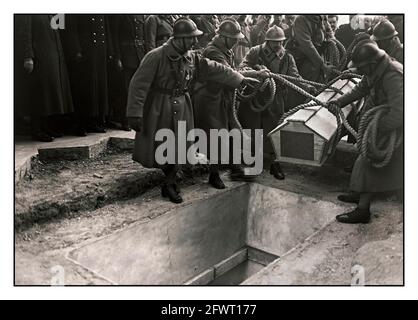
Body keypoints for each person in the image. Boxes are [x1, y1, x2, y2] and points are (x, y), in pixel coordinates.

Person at [126, 17, 259, 203]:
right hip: (160, 107)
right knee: (162, 146)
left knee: (181, 146)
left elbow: (214, 68)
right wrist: (134, 113)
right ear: (179, 38)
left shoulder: (192, 57)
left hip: (182, 106)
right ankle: (169, 182)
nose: (195, 41)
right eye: (191, 38)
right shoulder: (155, 56)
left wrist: (240, 78)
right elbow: (138, 85)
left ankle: (170, 182)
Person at [329, 41, 403, 224]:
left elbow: (401, 111)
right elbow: (361, 88)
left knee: (369, 159)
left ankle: (363, 210)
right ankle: (360, 193)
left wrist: (377, 128)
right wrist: (340, 102)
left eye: (361, 68)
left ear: (370, 64)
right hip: (383, 120)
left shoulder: (393, 75)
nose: (360, 71)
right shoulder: (376, 69)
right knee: (365, 157)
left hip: (395, 125)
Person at [193, 18, 259, 190]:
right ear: (223, 37)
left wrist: (254, 73)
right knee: (216, 136)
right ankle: (214, 175)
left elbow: (234, 71)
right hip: (210, 100)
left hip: (221, 98)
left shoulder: (224, 49)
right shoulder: (213, 51)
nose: (237, 41)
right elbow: (228, 72)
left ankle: (235, 168)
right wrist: (252, 75)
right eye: (234, 38)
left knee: (233, 132)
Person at [239, 25, 307, 180]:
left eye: (280, 42)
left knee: (274, 130)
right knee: (252, 129)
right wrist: (257, 70)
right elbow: (242, 67)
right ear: (267, 41)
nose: (278, 45)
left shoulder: (287, 57)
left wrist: (307, 87)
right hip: (255, 97)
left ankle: (274, 163)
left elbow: (295, 76)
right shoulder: (256, 51)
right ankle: (251, 163)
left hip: (276, 99)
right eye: (274, 42)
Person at [15, 14, 74, 142]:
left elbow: (59, 29)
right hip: (39, 56)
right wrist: (28, 56)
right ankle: (36, 130)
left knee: (50, 94)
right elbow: (25, 33)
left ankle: (46, 127)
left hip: (53, 54)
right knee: (39, 94)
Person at [108, 14, 147, 131]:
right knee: (126, 90)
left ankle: (139, 118)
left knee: (139, 89)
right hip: (126, 56)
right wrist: (118, 57)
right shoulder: (120, 15)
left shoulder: (140, 15)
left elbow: (143, 37)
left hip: (139, 56)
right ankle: (125, 121)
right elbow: (115, 37)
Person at [285, 15, 333, 83]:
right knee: (306, 84)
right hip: (302, 58)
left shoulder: (322, 17)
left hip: (319, 56)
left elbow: (330, 33)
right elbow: (307, 45)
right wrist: (322, 65)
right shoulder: (301, 20)